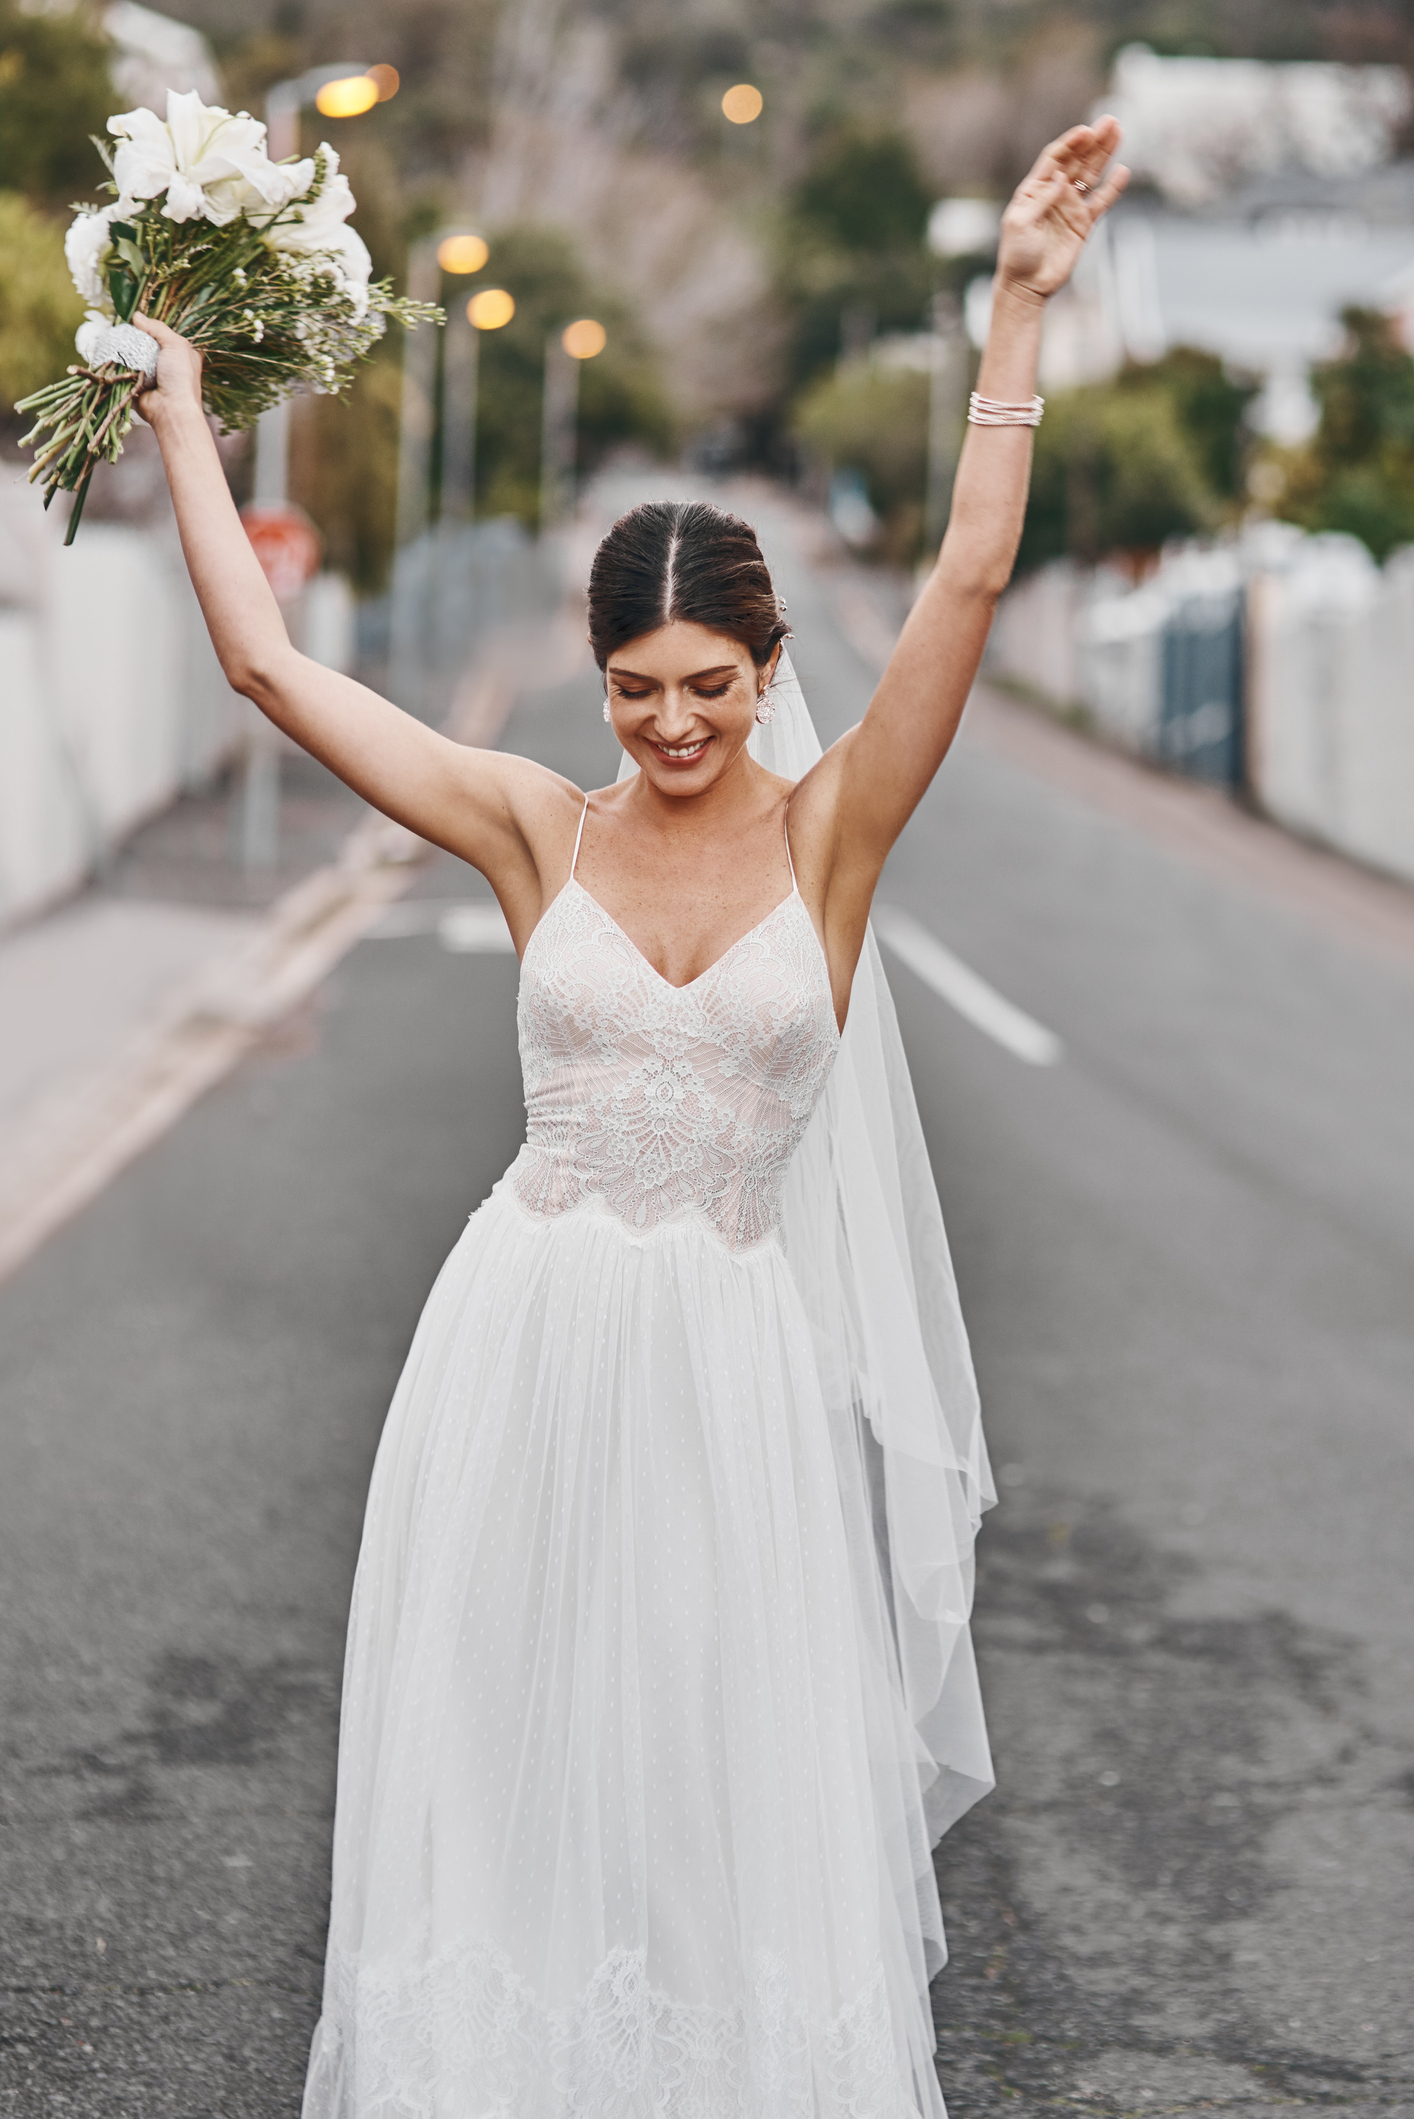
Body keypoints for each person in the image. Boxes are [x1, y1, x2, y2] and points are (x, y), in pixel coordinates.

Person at [135, 118, 1126, 2119]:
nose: (668, 729)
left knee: (710, 1790)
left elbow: (967, 570)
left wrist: (1014, 305)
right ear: (592, 684)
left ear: (768, 670)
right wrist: (173, 404)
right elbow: (262, 661)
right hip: (514, 1343)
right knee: (504, 1779)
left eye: (704, 686)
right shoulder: (530, 826)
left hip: (725, 1377)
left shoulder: (834, 833)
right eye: (628, 689)